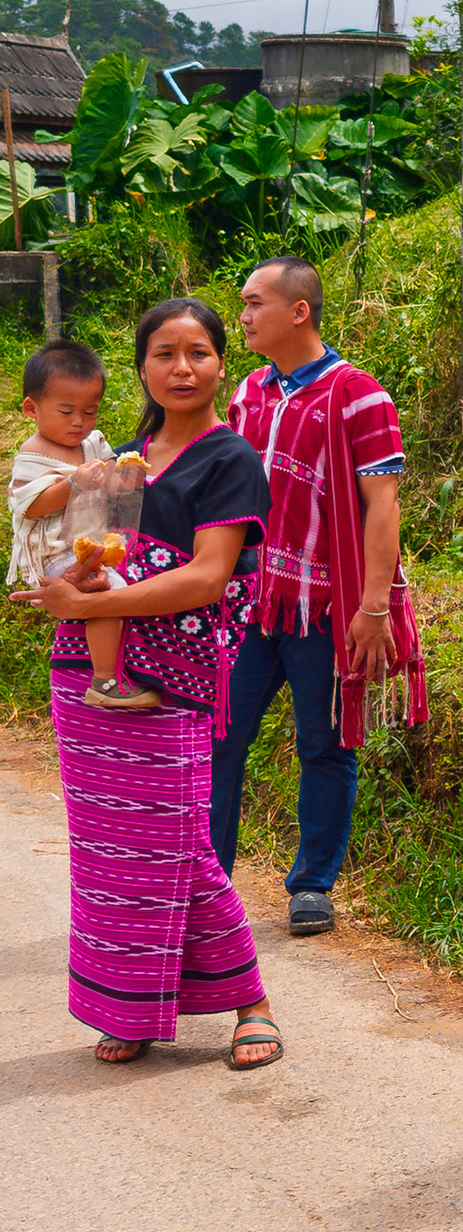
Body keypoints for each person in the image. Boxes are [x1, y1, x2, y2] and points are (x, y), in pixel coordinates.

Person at [10, 298, 283, 1071]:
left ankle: (250, 1002)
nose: (182, 367)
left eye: (198, 351)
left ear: (222, 363)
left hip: (173, 678)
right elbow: (86, 553)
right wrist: (57, 588)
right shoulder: (114, 458)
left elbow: (205, 579)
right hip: (85, 676)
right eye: (165, 353)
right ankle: (129, 1005)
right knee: (108, 850)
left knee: (178, 844)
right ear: (142, 368)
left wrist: (86, 598)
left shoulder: (230, 460)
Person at [213, 255, 426, 937]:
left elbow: (382, 506)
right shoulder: (248, 391)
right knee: (219, 737)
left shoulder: (360, 395)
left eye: (254, 304)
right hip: (248, 601)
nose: (242, 316)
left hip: (324, 608)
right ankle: (207, 880)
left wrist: (370, 609)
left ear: (297, 311)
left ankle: (312, 884)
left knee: (325, 745)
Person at [8, 339, 152, 708]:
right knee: (110, 595)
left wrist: (127, 479)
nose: (79, 422)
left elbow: (112, 486)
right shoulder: (32, 454)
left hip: (93, 543)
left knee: (124, 588)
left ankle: (118, 668)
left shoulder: (93, 444)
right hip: (57, 551)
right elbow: (32, 506)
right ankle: (104, 681)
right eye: (67, 411)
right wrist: (72, 484)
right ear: (31, 408)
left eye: (90, 412)